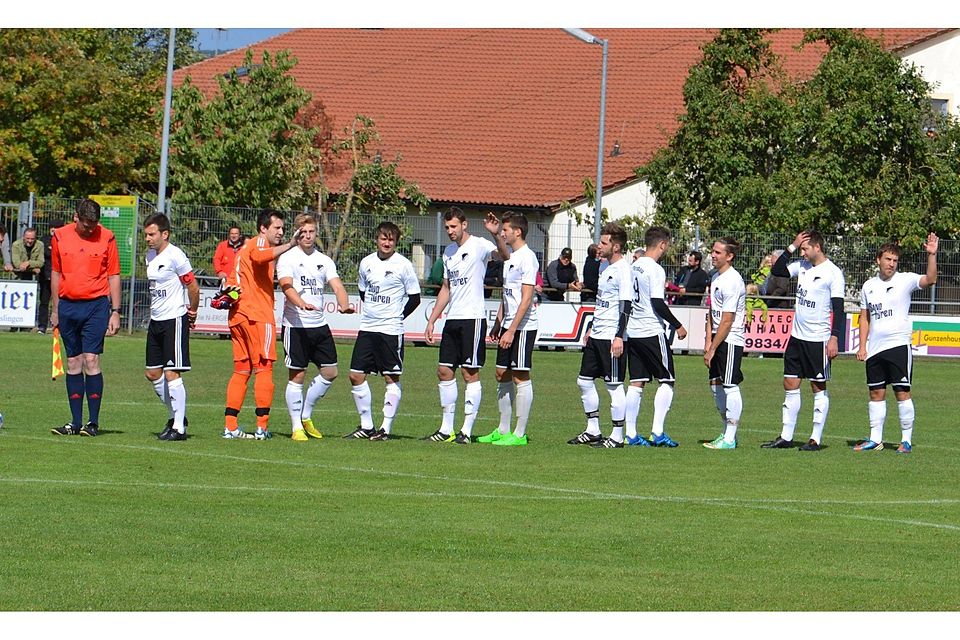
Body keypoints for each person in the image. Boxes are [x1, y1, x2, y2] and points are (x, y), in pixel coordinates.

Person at [423, 207, 508, 443]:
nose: (450, 231)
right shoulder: (448, 252)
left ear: (464, 225)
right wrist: (432, 319)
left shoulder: (480, 245)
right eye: (447, 227)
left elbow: (504, 255)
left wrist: (495, 233)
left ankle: (466, 431)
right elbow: (446, 288)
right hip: (453, 319)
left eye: (453, 226)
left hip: (473, 317)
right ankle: (445, 429)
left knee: (469, 372)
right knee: (444, 371)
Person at [761, 230, 845, 452]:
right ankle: (786, 436)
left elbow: (838, 308)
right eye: (801, 249)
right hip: (796, 338)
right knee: (790, 384)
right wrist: (792, 245)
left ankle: (815, 439)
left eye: (805, 248)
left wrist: (834, 338)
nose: (803, 253)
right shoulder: (802, 266)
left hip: (818, 340)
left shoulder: (833, 273)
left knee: (817, 386)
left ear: (817, 247)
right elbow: (777, 269)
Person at [221, 209, 302, 440]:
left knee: (242, 369)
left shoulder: (245, 248)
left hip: (238, 316)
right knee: (264, 368)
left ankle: (230, 426)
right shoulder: (257, 244)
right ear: (263, 228)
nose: (281, 232)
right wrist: (290, 244)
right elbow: (260, 257)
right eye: (277, 228)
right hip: (257, 314)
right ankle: (261, 427)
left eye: (283, 228)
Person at [853, 234, 938, 454]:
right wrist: (862, 346)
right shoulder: (868, 286)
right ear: (878, 260)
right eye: (888, 259)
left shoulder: (904, 280)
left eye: (895, 260)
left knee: (901, 392)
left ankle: (906, 440)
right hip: (874, 349)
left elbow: (930, 279)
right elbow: (865, 317)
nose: (892, 264)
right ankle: (875, 439)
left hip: (899, 345)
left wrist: (932, 254)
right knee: (876, 394)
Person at [276, 214, 353, 442]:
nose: (308, 236)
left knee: (330, 372)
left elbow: (337, 285)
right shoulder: (287, 258)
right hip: (296, 326)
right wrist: (300, 303)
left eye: (311, 232)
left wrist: (344, 303)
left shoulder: (324, 260)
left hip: (319, 326)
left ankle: (306, 415)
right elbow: (286, 286)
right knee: (297, 376)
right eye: (303, 232)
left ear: (316, 233)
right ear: (297, 233)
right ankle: (296, 426)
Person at [49, 199, 122, 437]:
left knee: (91, 359)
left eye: (94, 225)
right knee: (73, 362)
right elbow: (56, 273)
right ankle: (75, 422)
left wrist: (116, 311)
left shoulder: (108, 237)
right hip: (68, 307)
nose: (90, 230)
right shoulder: (59, 236)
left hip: (96, 306)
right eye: (86, 225)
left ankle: (93, 423)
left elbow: (113, 275)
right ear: (75, 218)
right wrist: (56, 309)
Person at [345, 221, 421, 441]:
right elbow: (363, 291)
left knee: (391, 377)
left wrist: (397, 316)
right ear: (377, 239)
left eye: (391, 239)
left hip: (390, 329)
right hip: (368, 327)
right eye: (383, 238)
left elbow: (414, 298)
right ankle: (367, 426)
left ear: (396, 242)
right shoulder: (366, 262)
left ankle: (385, 428)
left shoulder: (403, 265)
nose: (386, 243)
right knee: (356, 375)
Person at [566, 223, 633, 448]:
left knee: (613, 385)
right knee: (584, 381)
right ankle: (593, 429)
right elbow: (602, 303)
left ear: (615, 246)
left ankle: (617, 435)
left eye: (604, 243)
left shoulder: (624, 270)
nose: (599, 246)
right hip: (597, 335)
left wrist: (618, 336)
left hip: (612, 337)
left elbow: (625, 306)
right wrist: (591, 327)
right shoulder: (604, 268)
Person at [624, 226, 688, 447]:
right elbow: (658, 303)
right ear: (662, 244)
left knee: (636, 382)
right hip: (651, 330)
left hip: (633, 331)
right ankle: (657, 432)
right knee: (667, 380)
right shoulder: (655, 269)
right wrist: (678, 325)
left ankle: (631, 434)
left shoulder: (634, 266)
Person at [477, 212, 538, 446]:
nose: (503, 233)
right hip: (508, 325)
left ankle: (519, 434)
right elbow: (508, 296)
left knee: (521, 375)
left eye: (506, 230)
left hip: (523, 327)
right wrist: (498, 324)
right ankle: (503, 429)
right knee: (501, 373)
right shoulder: (511, 257)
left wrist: (512, 329)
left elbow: (525, 298)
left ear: (517, 231)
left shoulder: (528, 258)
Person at [142, 214, 200, 441]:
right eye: (146, 234)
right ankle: (176, 417)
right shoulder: (149, 256)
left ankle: (179, 429)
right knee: (152, 373)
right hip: (155, 321)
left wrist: (192, 312)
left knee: (171, 373)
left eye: (152, 234)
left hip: (174, 319)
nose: (147, 238)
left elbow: (193, 287)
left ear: (164, 234)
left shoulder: (176, 256)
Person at [702, 237, 747, 450]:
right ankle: (726, 432)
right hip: (717, 337)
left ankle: (730, 437)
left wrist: (713, 348)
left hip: (730, 339)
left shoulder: (732, 280)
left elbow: (727, 320)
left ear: (729, 256)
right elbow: (712, 313)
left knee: (730, 385)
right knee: (715, 386)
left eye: (718, 252)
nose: (713, 255)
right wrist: (708, 341)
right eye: (713, 251)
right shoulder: (716, 278)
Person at [10, 227, 44, 332]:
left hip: (31, 279)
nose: (29, 241)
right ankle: (14, 325)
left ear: (35, 238)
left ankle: (26, 326)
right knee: (16, 301)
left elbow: (41, 262)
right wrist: (33, 268)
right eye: (27, 238)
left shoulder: (40, 245)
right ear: (23, 237)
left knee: (29, 301)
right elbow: (17, 264)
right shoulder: (16, 245)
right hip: (17, 277)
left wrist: (28, 263)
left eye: (32, 239)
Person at [36, 220, 64, 334]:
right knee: (44, 302)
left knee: (60, 303)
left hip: (60, 277)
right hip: (45, 276)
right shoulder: (43, 240)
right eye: (52, 227)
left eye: (56, 227)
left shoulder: (64, 240)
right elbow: (44, 254)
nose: (53, 229)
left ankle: (61, 325)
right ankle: (42, 326)